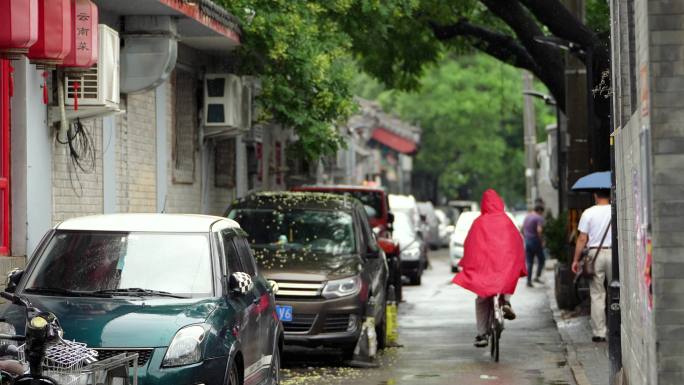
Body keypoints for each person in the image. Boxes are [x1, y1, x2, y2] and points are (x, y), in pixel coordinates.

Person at [452, 189, 527, 348]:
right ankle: (506, 301)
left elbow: (470, 245)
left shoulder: (479, 222)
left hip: (485, 269)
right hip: (503, 267)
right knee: (507, 277)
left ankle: (481, 334)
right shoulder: (507, 221)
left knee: (481, 299)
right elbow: (517, 242)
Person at [571, 189, 612, 343]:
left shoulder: (588, 213)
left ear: (595, 196)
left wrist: (575, 260)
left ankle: (599, 333)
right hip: (615, 253)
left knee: (597, 294)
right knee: (618, 290)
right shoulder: (616, 210)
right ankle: (619, 327)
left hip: (595, 254)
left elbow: (582, 238)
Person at [522, 205, 546, 287]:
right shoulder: (538, 218)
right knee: (542, 259)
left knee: (529, 262)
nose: (542, 214)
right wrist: (542, 240)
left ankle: (528, 281)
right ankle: (537, 276)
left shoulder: (527, 217)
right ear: (539, 211)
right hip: (535, 241)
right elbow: (539, 230)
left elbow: (522, 228)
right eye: (542, 212)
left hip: (527, 241)